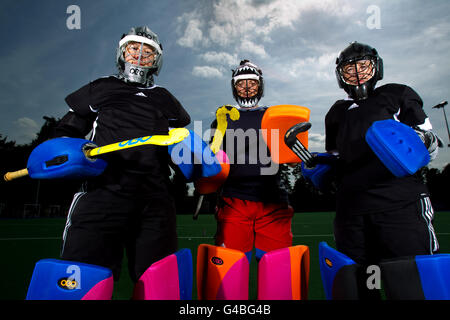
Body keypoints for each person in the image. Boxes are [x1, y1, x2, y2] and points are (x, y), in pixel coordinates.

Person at [51, 26, 191, 284]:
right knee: (86, 276)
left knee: (159, 282)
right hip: (104, 190)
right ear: (122, 53)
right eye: (133, 48)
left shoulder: (164, 98)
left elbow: (178, 145)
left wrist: (197, 164)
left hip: (155, 197)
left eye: (147, 51)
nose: (139, 55)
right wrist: (65, 149)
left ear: (156, 60)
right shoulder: (103, 87)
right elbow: (68, 130)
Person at [304, 41, 440, 296]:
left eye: (363, 66)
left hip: (400, 205)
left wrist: (418, 141)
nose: (356, 73)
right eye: (349, 69)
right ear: (340, 76)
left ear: (376, 68)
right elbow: (338, 158)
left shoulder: (397, 95)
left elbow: (430, 146)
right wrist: (320, 166)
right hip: (352, 212)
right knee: (358, 287)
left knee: (412, 284)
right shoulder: (336, 112)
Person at [212, 59, 294, 262]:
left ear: (260, 85)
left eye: (252, 83)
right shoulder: (223, 119)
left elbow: (291, 159)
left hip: (273, 201)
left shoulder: (273, 116)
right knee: (230, 273)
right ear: (234, 87)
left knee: (278, 273)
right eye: (241, 83)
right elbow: (214, 161)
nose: (247, 88)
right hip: (234, 202)